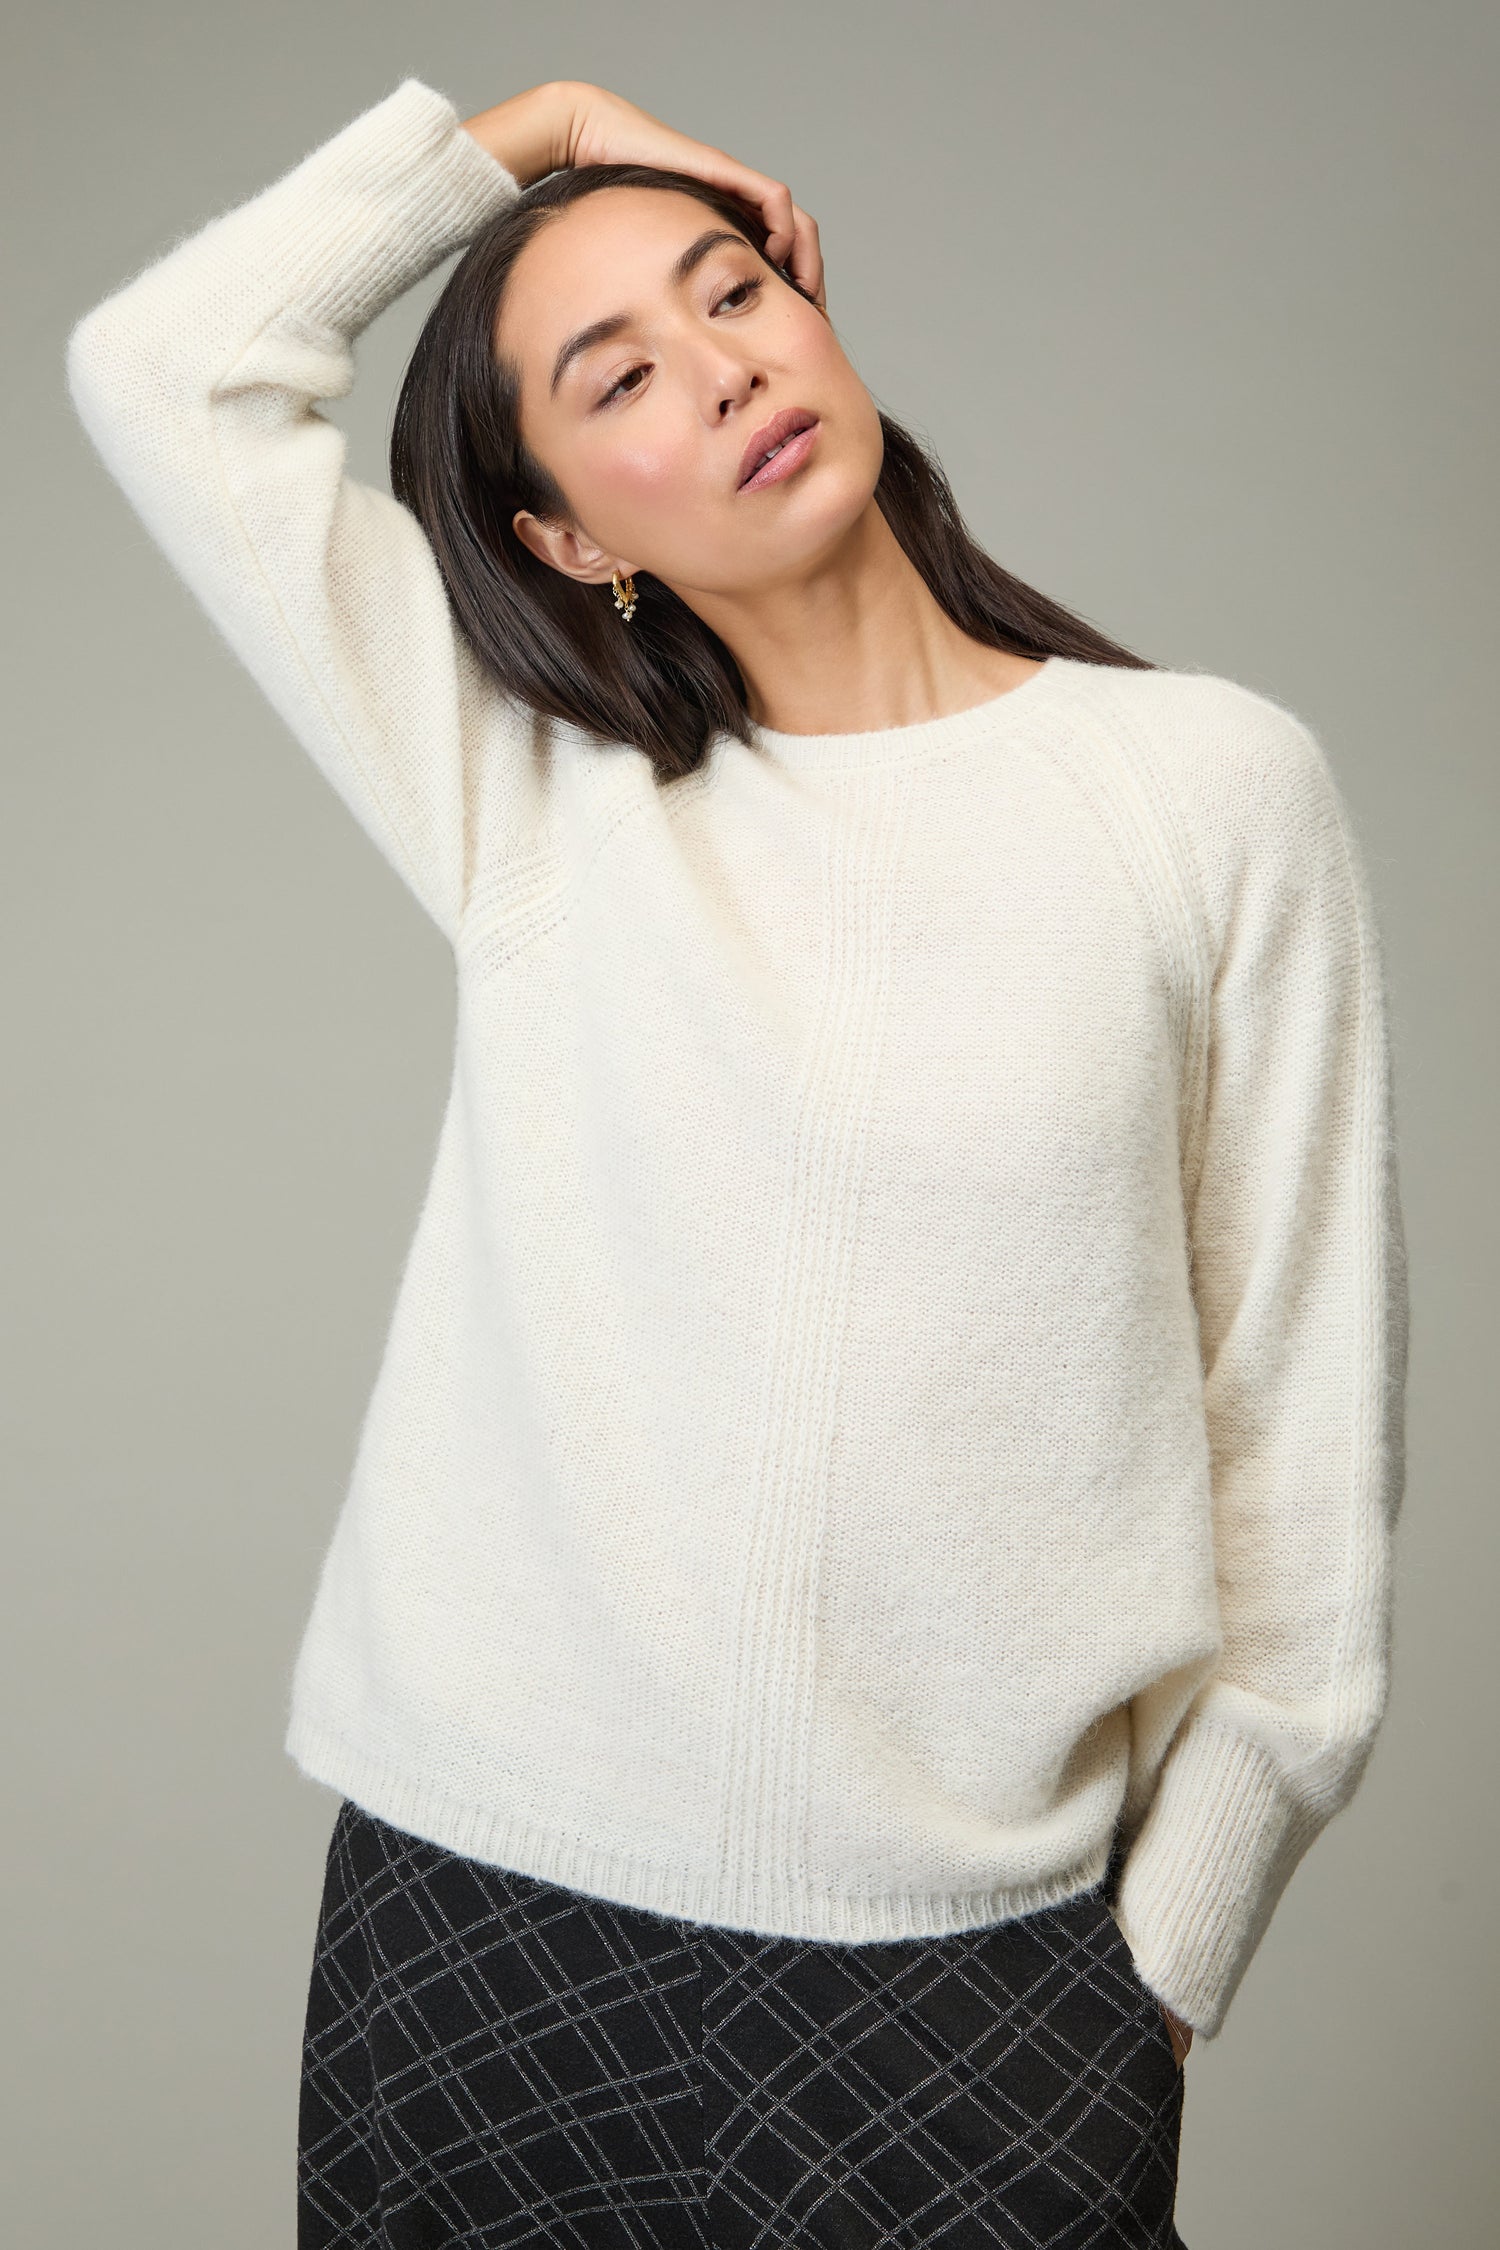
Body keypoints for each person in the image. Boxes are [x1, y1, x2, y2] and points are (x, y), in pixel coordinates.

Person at [65, 68, 1408, 2248]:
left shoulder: (1208, 795)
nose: (725, 366)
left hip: (974, 1996)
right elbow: (163, 368)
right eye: (621, 377)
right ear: (568, 534)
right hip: (478, 1944)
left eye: (733, 291)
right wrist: (533, 133)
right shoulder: (544, 806)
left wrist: (1153, 1980)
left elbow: (1297, 1436)